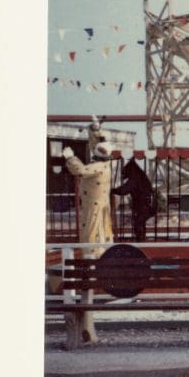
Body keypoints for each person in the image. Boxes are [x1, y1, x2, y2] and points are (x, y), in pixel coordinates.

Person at [61, 123, 116, 343]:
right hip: (95, 213)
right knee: (89, 260)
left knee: (89, 256)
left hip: (92, 217)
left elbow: (81, 170)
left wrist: (70, 158)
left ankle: (87, 326)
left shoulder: (98, 168)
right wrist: (95, 129)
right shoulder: (105, 164)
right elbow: (99, 145)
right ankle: (87, 328)